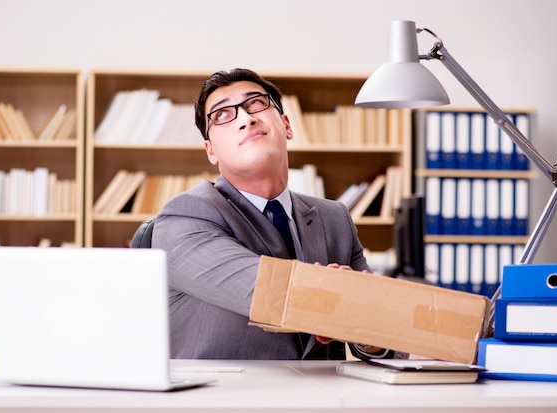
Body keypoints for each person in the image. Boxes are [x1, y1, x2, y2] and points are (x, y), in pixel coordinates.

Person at [152, 68, 394, 360]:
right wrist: (346, 299)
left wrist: (370, 337)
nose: (245, 118)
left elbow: (387, 330)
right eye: (223, 115)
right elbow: (270, 292)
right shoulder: (186, 216)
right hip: (223, 400)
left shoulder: (335, 219)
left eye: (256, 103)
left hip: (321, 400)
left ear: (287, 126)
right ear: (210, 151)